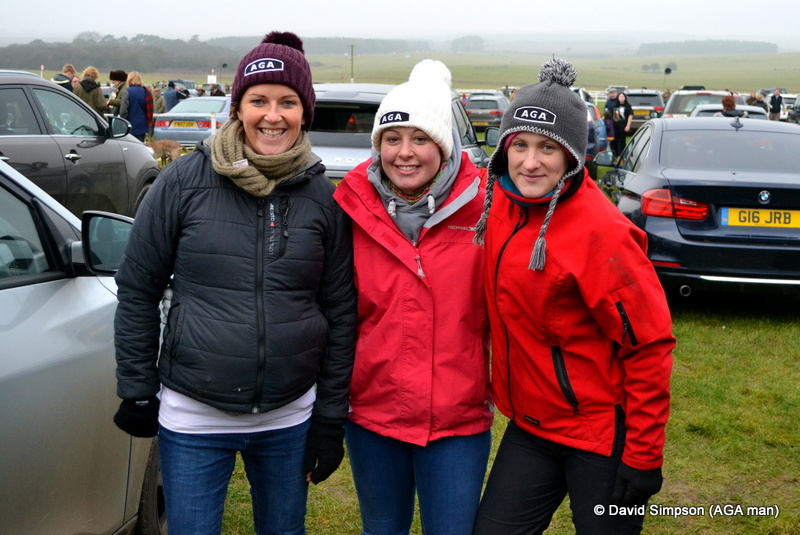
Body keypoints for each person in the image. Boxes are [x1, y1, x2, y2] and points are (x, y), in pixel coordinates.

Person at [112, 31, 357, 535]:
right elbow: (138, 286)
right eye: (258, 100)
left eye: (287, 102)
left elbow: (340, 309)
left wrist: (330, 418)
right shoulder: (183, 181)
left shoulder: (322, 196)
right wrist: (137, 387)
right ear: (238, 107)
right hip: (194, 414)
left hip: (289, 417)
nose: (273, 115)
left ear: (304, 111)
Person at [472, 58, 674, 535]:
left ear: (573, 156)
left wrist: (643, 455)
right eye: (518, 145)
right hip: (532, 425)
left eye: (547, 147)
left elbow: (649, 345)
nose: (530, 162)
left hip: (599, 433)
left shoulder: (603, 234)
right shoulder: (499, 204)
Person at [333, 59, 493, 535]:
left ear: (443, 148)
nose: (404, 153)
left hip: (457, 419)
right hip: (373, 414)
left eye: (420, 139)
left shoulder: (487, 208)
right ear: (377, 144)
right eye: (391, 139)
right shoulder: (349, 209)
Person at [119, 71, 153, 141]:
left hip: (130, 125)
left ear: (130, 80)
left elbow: (123, 111)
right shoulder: (146, 91)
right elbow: (149, 109)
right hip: (143, 125)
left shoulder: (127, 91)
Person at [611, 91, 633, 157]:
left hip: (623, 126)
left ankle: (622, 156)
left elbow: (630, 116)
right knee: (614, 141)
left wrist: (628, 125)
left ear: (625, 98)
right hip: (615, 126)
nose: (621, 98)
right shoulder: (615, 105)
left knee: (622, 142)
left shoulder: (628, 106)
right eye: (620, 96)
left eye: (622, 96)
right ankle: (615, 155)